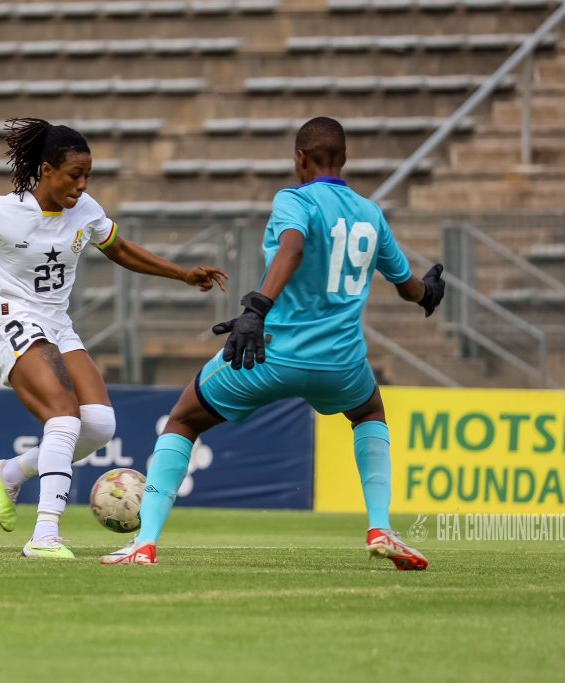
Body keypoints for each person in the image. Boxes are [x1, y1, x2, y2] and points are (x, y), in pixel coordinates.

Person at [0, 117, 228, 560]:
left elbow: (119, 249)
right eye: (74, 175)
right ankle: (44, 536)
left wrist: (182, 274)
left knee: (99, 425)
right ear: (46, 170)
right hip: (8, 318)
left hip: (56, 324)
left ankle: (11, 472)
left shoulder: (86, 210)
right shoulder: (1, 212)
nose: (82, 185)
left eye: (87, 176)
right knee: (63, 416)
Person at [101, 116, 445, 570]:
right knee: (368, 413)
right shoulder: (370, 214)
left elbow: (292, 248)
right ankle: (380, 526)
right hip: (341, 363)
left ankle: (144, 544)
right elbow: (407, 286)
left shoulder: (294, 200)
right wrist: (429, 292)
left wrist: (255, 308)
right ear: (344, 159)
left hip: (271, 353)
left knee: (183, 419)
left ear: (300, 159)